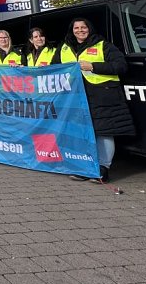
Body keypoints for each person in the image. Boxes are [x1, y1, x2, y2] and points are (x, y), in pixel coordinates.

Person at [55, 17, 135, 182]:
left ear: (89, 28)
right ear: (72, 30)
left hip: (102, 96)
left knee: (103, 132)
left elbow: (121, 66)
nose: (80, 30)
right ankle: (86, 167)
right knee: (82, 132)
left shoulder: (103, 45)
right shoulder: (63, 48)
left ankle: (102, 169)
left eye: (83, 27)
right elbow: (53, 69)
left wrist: (93, 66)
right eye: (76, 28)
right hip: (75, 98)